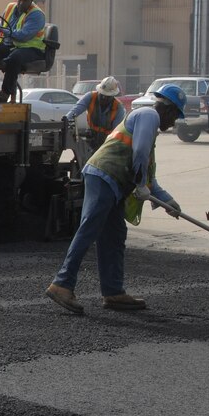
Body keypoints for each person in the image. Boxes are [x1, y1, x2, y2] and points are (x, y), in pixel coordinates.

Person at [46, 84, 187, 314]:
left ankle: (113, 292)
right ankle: (62, 284)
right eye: (176, 117)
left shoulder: (148, 127)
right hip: (104, 175)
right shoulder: (149, 115)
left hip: (112, 183)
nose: (173, 124)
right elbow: (139, 153)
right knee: (89, 228)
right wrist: (140, 184)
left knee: (114, 235)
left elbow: (148, 174)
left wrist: (168, 202)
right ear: (169, 110)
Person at [0, 0, 46, 102]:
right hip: (12, 45)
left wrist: (3, 31)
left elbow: (23, 36)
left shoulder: (37, 15)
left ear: (31, 0)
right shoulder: (10, 7)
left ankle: (5, 93)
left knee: (15, 58)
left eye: (25, 0)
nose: (21, 3)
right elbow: (2, 27)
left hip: (32, 49)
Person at [66, 76, 125, 151]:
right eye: (102, 95)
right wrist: (65, 120)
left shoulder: (118, 108)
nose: (104, 98)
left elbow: (116, 131)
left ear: (113, 96)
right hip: (91, 137)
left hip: (107, 141)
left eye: (107, 96)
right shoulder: (90, 97)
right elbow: (75, 110)